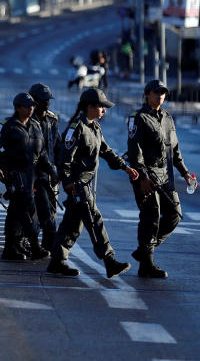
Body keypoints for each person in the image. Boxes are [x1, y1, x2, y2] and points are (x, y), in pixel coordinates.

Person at [47, 88, 140, 278]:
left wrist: (125, 168)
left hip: (88, 184)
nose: (104, 111)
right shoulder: (76, 128)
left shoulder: (95, 128)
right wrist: (68, 184)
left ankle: (57, 260)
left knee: (72, 224)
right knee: (94, 220)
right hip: (78, 185)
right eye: (101, 107)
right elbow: (64, 160)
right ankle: (109, 261)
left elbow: (106, 151)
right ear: (90, 106)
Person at [126, 79, 193, 278]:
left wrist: (185, 172)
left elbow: (175, 150)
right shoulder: (137, 117)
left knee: (175, 214)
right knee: (151, 217)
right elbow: (134, 151)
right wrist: (143, 177)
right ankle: (146, 264)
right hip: (146, 174)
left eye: (163, 92)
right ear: (147, 94)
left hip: (165, 174)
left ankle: (145, 250)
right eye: (156, 92)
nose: (160, 95)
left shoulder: (167, 118)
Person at [0, 93, 53, 260]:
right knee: (23, 210)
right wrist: (4, 172)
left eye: (32, 105)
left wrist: (51, 170)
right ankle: (34, 246)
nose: (31, 108)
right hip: (15, 175)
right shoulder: (7, 125)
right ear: (17, 107)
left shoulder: (35, 125)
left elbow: (41, 153)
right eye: (27, 106)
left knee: (16, 211)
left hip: (32, 175)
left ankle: (10, 248)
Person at [29, 83, 65, 253]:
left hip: (50, 173)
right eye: (43, 100)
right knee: (33, 211)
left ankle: (47, 245)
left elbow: (58, 146)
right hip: (33, 174)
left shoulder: (52, 119)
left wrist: (60, 169)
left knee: (50, 209)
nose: (46, 103)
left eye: (48, 100)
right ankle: (28, 243)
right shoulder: (26, 119)